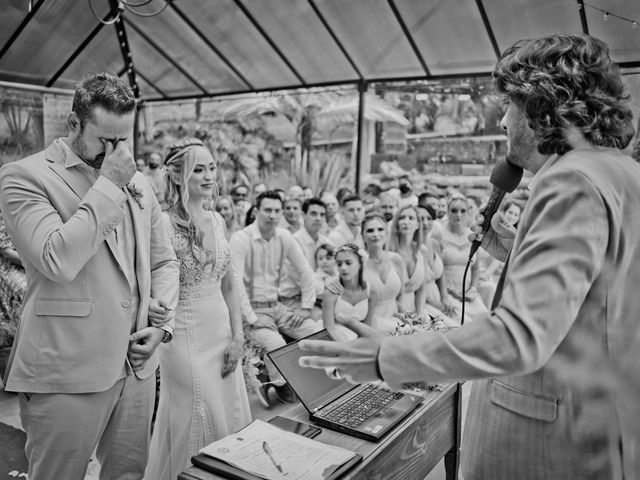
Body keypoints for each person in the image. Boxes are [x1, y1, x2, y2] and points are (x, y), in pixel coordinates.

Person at [299, 33, 640, 480]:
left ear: (542, 106)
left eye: (510, 106)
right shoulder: (623, 173)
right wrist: (517, 251)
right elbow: (602, 294)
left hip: (545, 446)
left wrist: (387, 357)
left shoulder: (570, 181)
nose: (502, 121)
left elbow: (520, 338)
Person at [0, 72, 180, 480]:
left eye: (124, 140)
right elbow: (56, 259)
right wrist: (110, 184)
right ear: (74, 124)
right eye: (106, 141)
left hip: (134, 368)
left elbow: (164, 262)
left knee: (128, 475)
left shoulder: (140, 182)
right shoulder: (24, 176)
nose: (117, 152)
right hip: (66, 370)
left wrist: (161, 327)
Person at [146, 139, 251, 480]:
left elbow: (230, 284)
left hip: (221, 331)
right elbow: (148, 280)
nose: (208, 176)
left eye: (211, 168)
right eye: (198, 169)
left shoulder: (217, 220)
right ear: (177, 176)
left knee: (227, 411)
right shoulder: (162, 224)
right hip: (182, 337)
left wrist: (238, 337)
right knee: (194, 413)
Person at [231, 191, 318, 406]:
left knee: (312, 330)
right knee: (276, 343)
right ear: (257, 211)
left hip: (277, 307)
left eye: (277, 211)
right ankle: (278, 381)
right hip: (249, 310)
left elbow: (306, 271)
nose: (273, 215)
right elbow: (234, 283)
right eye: (267, 210)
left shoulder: (284, 237)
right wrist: (251, 318)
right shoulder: (241, 239)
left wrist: (307, 307)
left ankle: (295, 377)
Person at [387, 205, 452, 323]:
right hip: (394, 311)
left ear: (417, 224)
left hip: (417, 308)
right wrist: (406, 317)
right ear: (397, 223)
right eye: (402, 218)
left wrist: (420, 313)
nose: (406, 222)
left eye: (411, 218)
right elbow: (388, 296)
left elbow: (421, 289)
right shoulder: (390, 253)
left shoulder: (422, 250)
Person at [431, 196, 489, 324]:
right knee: (463, 323)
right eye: (454, 211)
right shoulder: (438, 234)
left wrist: (473, 288)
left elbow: (475, 268)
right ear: (447, 212)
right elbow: (437, 270)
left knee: (485, 319)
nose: (458, 215)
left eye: (463, 211)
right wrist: (446, 295)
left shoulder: (473, 235)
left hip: (468, 293)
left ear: (469, 213)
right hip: (446, 292)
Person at [360, 212, 404, 334]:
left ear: (386, 233)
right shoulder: (358, 264)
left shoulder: (396, 259)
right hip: (369, 322)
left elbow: (401, 296)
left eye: (380, 229)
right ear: (362, 235)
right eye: (370, 231)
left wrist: (405, 316)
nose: (376, 234)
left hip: (394, 318)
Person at [322, 244, 375, 342]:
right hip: (336, 340)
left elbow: (368, 328)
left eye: (348, 263)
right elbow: (329, 330)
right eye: (339, 264)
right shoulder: (330, 293)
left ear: (360, 264)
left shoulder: (371, 292)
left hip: (361, 340)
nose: (343, 268)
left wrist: (359, 345)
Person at [0, 212, 26, 352]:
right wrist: (35, 263)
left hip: (27, 262)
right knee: (25, 289)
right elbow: (7, 252)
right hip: (8, 267)